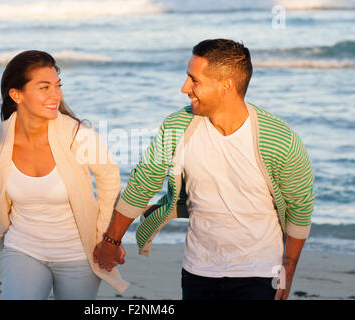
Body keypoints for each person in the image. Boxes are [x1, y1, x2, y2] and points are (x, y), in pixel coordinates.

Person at [94, 39, 314, 300]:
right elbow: (143, 183)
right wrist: (111, 241)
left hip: (261, 272)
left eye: (194, 80)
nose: (184, 88)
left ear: (226, 86)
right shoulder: (178, 127)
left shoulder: (279, 139)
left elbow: (300, 207)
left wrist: (287, 271)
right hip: (197, 270)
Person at [0, 50, 128, 299]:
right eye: (44, 87)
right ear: (17, 94)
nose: (55, 95)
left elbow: (110, 180)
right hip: (23, 248)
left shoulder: (79, 135)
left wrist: (104, 237)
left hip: (78, 252)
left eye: (57, 86)